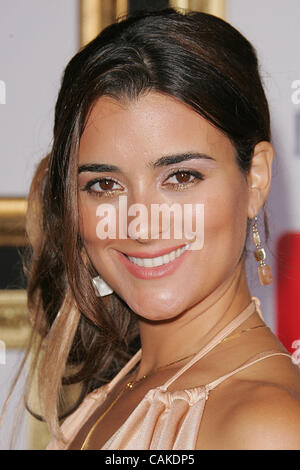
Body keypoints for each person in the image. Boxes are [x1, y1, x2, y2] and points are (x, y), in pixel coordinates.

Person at [23, 8, 300, 450]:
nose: (142, 223)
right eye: (105, 184)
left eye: (181, 177)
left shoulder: (265, 427)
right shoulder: (120, 391)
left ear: (256, 179)